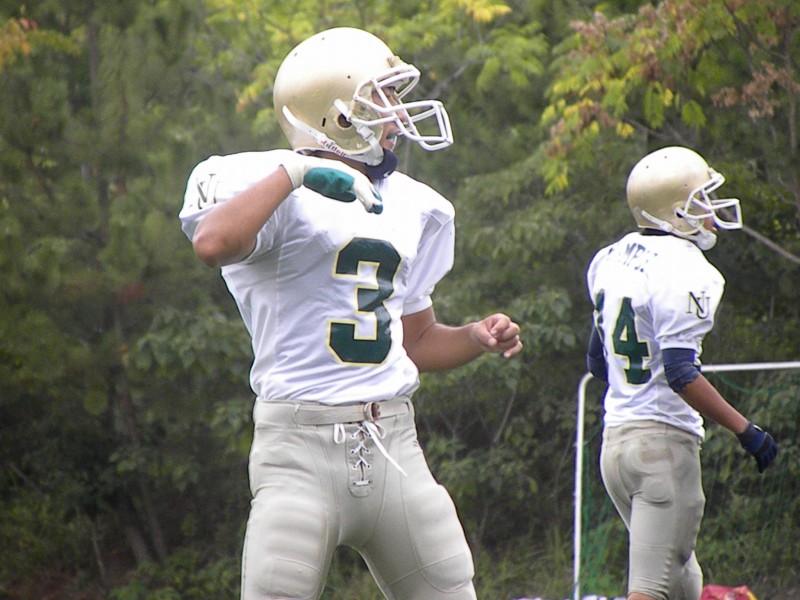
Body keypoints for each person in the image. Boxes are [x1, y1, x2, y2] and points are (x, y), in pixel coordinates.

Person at [179, 27, 523, 600]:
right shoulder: (270, 185)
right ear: (332, 113)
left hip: (394, 443)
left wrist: (474, 337)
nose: (396, 114)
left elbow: (417, 341)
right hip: (298, 452)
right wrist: (294, 175)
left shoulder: (413, 203)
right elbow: (212, 243)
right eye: (379, 99)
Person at [585, 146, 778, 600]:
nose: (709, 211)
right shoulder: (689, 268)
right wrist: (746, 430)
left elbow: (597, 361)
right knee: (651, 589)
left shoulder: (610, 257)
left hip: (616, 449)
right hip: (662, 449)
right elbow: (680, 372)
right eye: (699, 201)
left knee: (684, 580)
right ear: (674, 210)